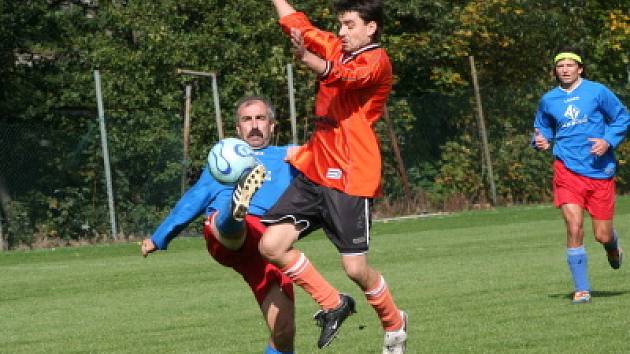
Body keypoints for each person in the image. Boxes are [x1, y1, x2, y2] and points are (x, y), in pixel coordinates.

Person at [259, 1, 407, 353]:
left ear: (370, 28)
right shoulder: (335, 47)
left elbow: (347, 77)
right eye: (340, 24)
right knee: (271, 245)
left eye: (349, 24)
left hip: (351, 174)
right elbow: (300, 25)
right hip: (316, 168)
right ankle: (332, 303)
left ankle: (394, 323)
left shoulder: (377, 60)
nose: (341, 31)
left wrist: (311, 61)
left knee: (355, 269)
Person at [141, 96, 298, 354]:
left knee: (284, 332)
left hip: (268, 250)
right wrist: (159, 237)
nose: (254, 125)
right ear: (238, 129)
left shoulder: (290, 158)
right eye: (247, 120)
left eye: (261, 118)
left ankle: (237, 211)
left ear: (272, 125)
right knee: (235, 225)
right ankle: (235, 210)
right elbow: (194, 199)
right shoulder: (226, 158)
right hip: (225, 236)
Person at [533, 46, 630, 304]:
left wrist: (608, 141)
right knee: (574, 226)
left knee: (602, 234)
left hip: (599, 171)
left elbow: (622, 117)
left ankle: (612, 246)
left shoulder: (597, 91)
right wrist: (540, 141)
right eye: (560, 66)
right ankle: (582, 289)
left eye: (569, 65)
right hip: (566, 169)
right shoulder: (548, 99)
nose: (565, 69)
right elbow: (542, 129)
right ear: (555, 70)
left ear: (580, 68)